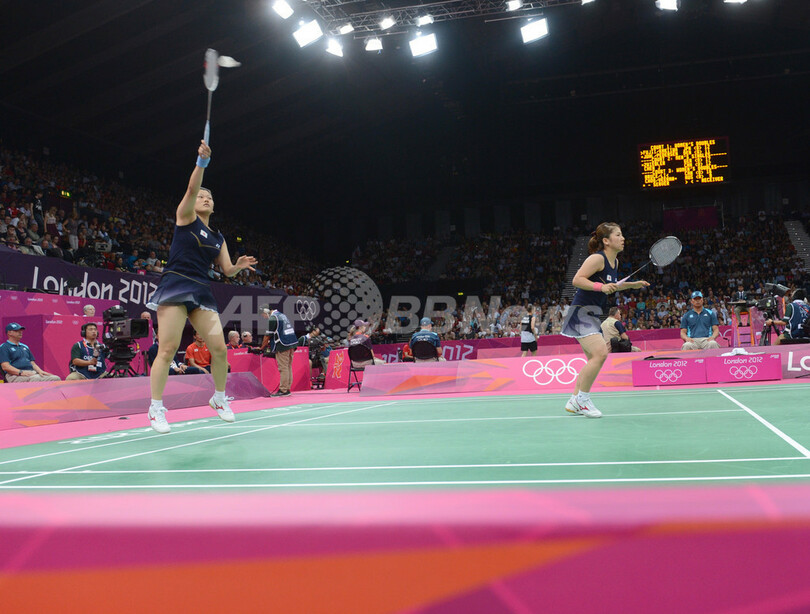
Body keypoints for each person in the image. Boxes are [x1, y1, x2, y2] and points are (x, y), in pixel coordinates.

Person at [144, 140, 257, 434]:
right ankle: (156, 408)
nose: (205, 198)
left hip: (201, 291)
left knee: (219, 349)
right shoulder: (186, 218)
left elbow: (227, 270)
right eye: (202, 196)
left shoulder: (218, 238)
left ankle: (218, 398)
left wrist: (238, 266)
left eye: (210, 197)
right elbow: (192, 188)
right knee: (168, 349)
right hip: (175, 285)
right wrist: (202, 163)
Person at [562, 222, 649, 418]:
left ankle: (575, 399)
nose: (623, 238)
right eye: (618, 235)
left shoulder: (614, 262)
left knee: (594, 359)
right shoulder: (597, 258)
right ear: (606, 241)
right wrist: (600, 287)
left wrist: (632, 285)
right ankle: (582, 400)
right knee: (600, 354)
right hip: (581, 312)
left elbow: (612, 285)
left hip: (593, 314)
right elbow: (577, 280)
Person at [260, 308, 298, 396]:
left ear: (266, 312)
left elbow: (267, 336)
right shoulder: (282, 315)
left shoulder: (273, 318)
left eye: (263, 315)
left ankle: (283, 390)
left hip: (283, 345)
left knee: (283, 368)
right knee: (288, 367)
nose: (265, 317)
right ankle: (287, 388)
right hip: (291, 343)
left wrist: (262, 347)